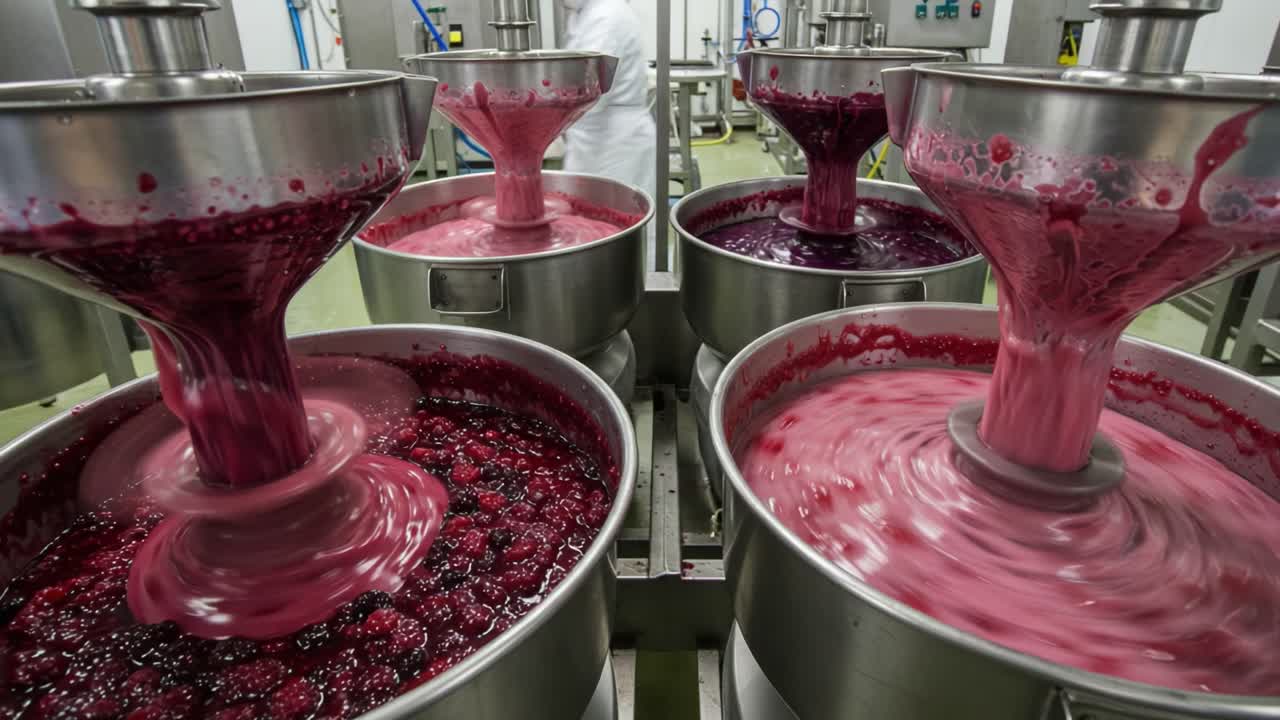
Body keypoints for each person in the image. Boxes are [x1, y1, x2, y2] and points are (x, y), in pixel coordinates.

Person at [561, 0, 657, 194]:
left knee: (616, 207)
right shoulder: (587, 13)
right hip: (597, 139)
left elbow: (592, 88)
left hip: (615, 142)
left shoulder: (606, 15)